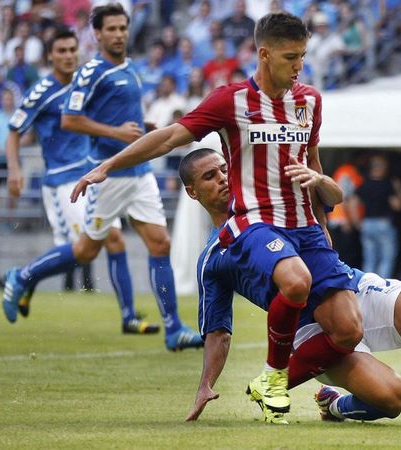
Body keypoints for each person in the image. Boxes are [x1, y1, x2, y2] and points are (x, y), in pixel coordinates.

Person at [71, 12, 363, 421]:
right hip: (254, 222)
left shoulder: (309, 101)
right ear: (264, 54)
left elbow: (311, 167)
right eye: (291, 57)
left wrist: (323, 227)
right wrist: (108, 166)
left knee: (350, 330)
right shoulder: (231, 100)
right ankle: (276, 376)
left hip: (306, 230)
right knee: (296, 283)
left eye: (303, 56)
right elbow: (172, 136)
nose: (299, 66)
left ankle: (267, 383)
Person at [179, 148, 401, 426]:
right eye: (209, 176)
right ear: (192, 191)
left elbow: (333, 196)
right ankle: (334, 404)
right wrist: (205, 385)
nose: (222, 178)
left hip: (348, 288)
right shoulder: (213, 259)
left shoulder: (272, 204)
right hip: (312, 332)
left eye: (224, 169)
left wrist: (319, 178)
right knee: (393, 398)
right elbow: (218, 332)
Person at [2, 6, 201, 351]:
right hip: (106, 177)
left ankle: (173, 329)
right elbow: (70, 119)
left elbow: (127, 118)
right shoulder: (91, 71)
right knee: (85, 250)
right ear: (97, 34)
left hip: (139, 173)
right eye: (112, 28)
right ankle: (21, 276)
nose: (120, 34)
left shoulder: (131, 68)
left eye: (123, 27)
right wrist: (117, 132)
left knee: (160, 244)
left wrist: (146, 130)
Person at [3, 29, 158, 335]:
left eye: (72, 49)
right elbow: (14, 130)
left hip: (91, 175)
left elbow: (101, 120)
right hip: (62, 180)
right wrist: (14, 169)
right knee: (86, 248)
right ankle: (22, 276)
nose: (68, 55)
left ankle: (127, 316)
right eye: (60, 50)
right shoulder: (42, 90)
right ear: (50, 56)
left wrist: (140, 126)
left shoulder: (87, 84)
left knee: (106, 241)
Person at [355, 155, 401, 279]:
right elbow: (397, 205)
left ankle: (368, 287)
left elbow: (353, 202)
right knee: (386, 258)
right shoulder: (387, 185)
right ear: (382, 168)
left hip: (367, 223)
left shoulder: (364, 184)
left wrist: (357, 222)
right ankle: (383, 289)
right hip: (383, 223)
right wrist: (398, 189)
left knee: (369, 258)